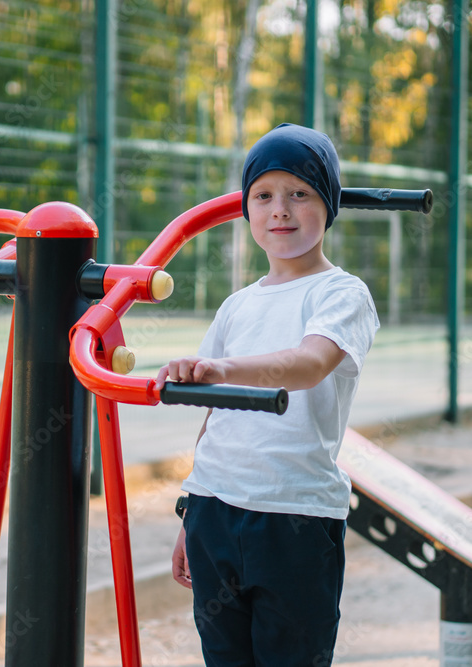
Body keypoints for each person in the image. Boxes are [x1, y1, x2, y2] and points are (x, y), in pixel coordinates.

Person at [157, 123, 380, 666]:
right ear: (247, 209)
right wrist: (192, 507)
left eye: (299, 193)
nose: (280, 209)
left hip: (294, 518)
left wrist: (220, 368)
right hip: (215, 513)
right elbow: (214, 419)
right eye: (264, 196)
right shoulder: (237, 305)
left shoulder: (340, 293)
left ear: (327, 205)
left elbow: (308, 365)